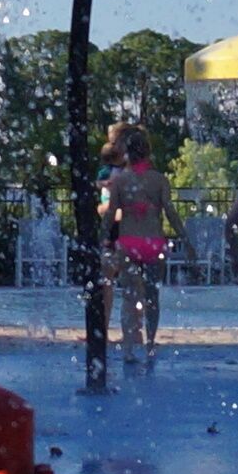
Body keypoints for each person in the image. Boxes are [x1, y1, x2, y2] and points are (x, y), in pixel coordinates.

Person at [101, 124, 170, 367]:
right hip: (128, 239)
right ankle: (125, 336)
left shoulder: (124, 177)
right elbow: (105, 209)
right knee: (126, 289)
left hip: (128, 239)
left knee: (134, 293)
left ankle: (133, 339)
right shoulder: (112, 174)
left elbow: (108, 211)